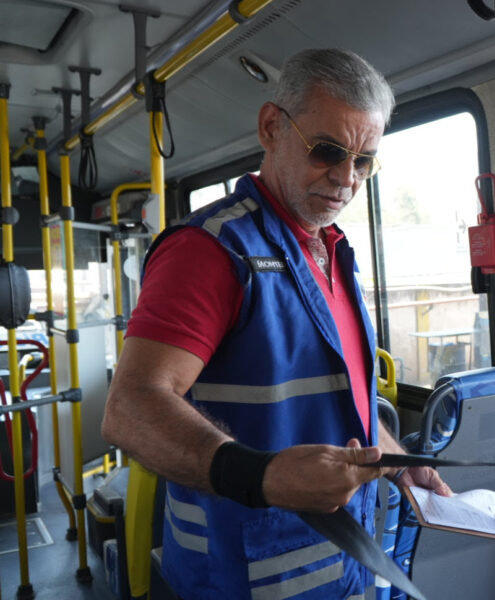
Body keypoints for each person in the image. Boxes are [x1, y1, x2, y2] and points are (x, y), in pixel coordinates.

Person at [102, 48, 451, 600]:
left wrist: (393, 458)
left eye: (364, 161)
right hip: (244, 576)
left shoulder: (332, 253)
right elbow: (130, 408)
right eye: (328, 151)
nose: (346, 178)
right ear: (271, 127)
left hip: (346, 566)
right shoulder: (211, 252)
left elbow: (338, 402)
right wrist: (260, 475)